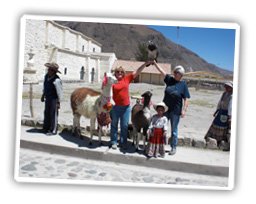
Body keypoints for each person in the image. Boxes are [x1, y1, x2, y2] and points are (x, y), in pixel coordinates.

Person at [110, 61, 152, 150]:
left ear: (124, 73)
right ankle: (113, 141)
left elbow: (137, 71)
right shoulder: (112, 81)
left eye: (121, 72)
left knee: (124, 126)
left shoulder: (127, 79)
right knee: (114, 124)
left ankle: (123, 142)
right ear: (115, 73)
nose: (120, 73)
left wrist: (145, 64)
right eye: (118, 71)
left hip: (126, 108)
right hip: (115, 107)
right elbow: (105, 91)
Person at [153, 61, 190, 155]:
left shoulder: (183, 85)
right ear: (174, 73)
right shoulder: (169, 80)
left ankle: (173, 147)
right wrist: (155, 63)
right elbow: (162, 71)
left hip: (176, 111)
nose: (179, 75)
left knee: (174, 130)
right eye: (178, 73)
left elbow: (186, 99)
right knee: (160, 127)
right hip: (164, 110)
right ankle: (159, 146)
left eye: (181, 74)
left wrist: (184, 110)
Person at [205, 81, 233, 150]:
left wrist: (230, 116)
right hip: (221, 112)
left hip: (226, 114)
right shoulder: (224, 94)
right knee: (215, 124)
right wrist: (216, 110)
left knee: (223, 126)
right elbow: (220, 102)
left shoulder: (232, 96)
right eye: (226, 87)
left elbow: (230, 107)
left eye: (228, 87)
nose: (226, 88)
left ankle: (221, 141)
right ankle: (212, 139)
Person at [41, 62, 63, 135]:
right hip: (48, 98)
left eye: (50, 69)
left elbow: (59, 92)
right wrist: (43, 95)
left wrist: (58, 102)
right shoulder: (46, 76)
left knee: (53, 114)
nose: (48, 70)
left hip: (54, 99)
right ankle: (46, 128)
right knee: (46, 113)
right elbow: (45, 87)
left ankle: (53, 130)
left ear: (53, 71)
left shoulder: (57, 80)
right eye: (48, 69)